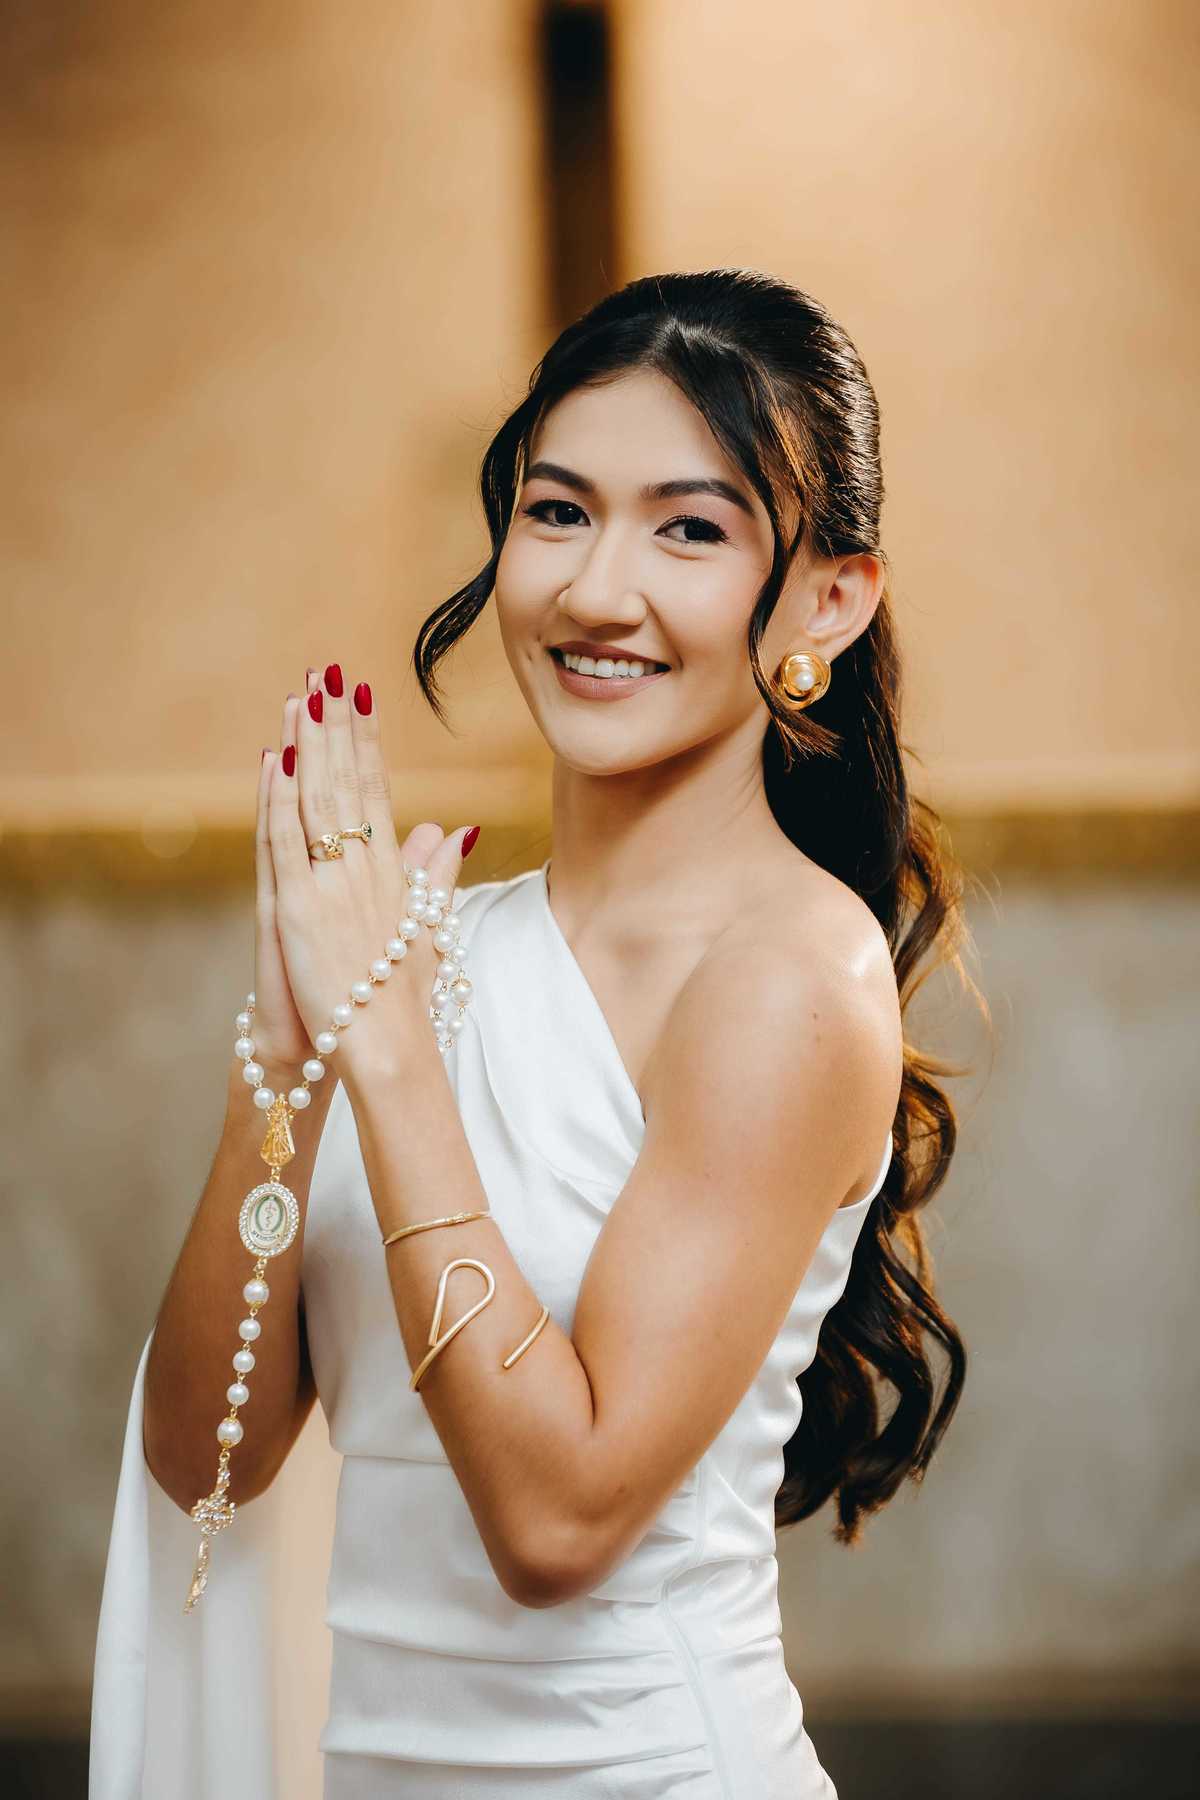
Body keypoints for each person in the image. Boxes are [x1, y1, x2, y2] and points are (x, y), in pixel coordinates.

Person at [91, 269, 977, 1799]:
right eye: (557, 512)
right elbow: (205, 1472)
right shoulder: (423, 952)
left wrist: (387, 1057)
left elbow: (556, 1526)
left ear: (829, 601)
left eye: (689, 531)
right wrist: (283, 1069)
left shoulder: (790, 976)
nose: (596, 591)